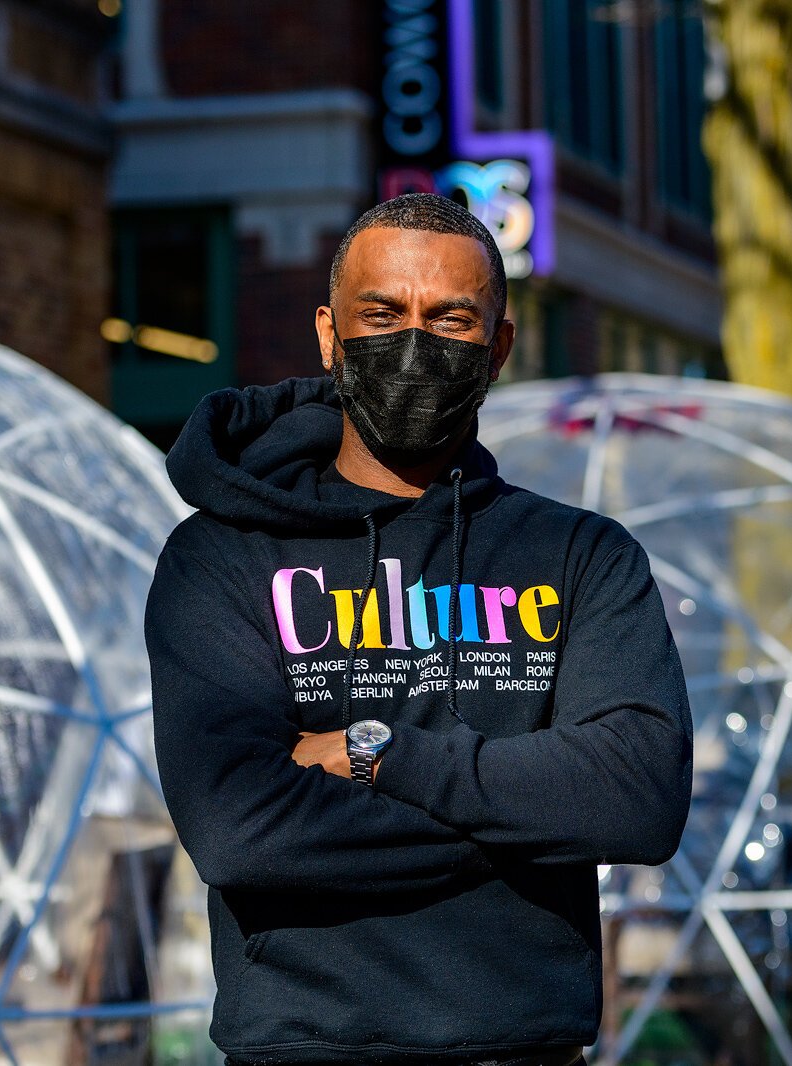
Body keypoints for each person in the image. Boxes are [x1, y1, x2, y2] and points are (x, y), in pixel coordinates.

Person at [145, 193, 694, 1066]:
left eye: (451, 319)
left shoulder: (581, 555)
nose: (413, 344)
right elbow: (238, 828)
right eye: (382, 313)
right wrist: (530, 815)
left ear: (498, 348)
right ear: (330, 335)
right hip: (300, 1050)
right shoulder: (223, 557)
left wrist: (378, 755)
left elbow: (636, 799)